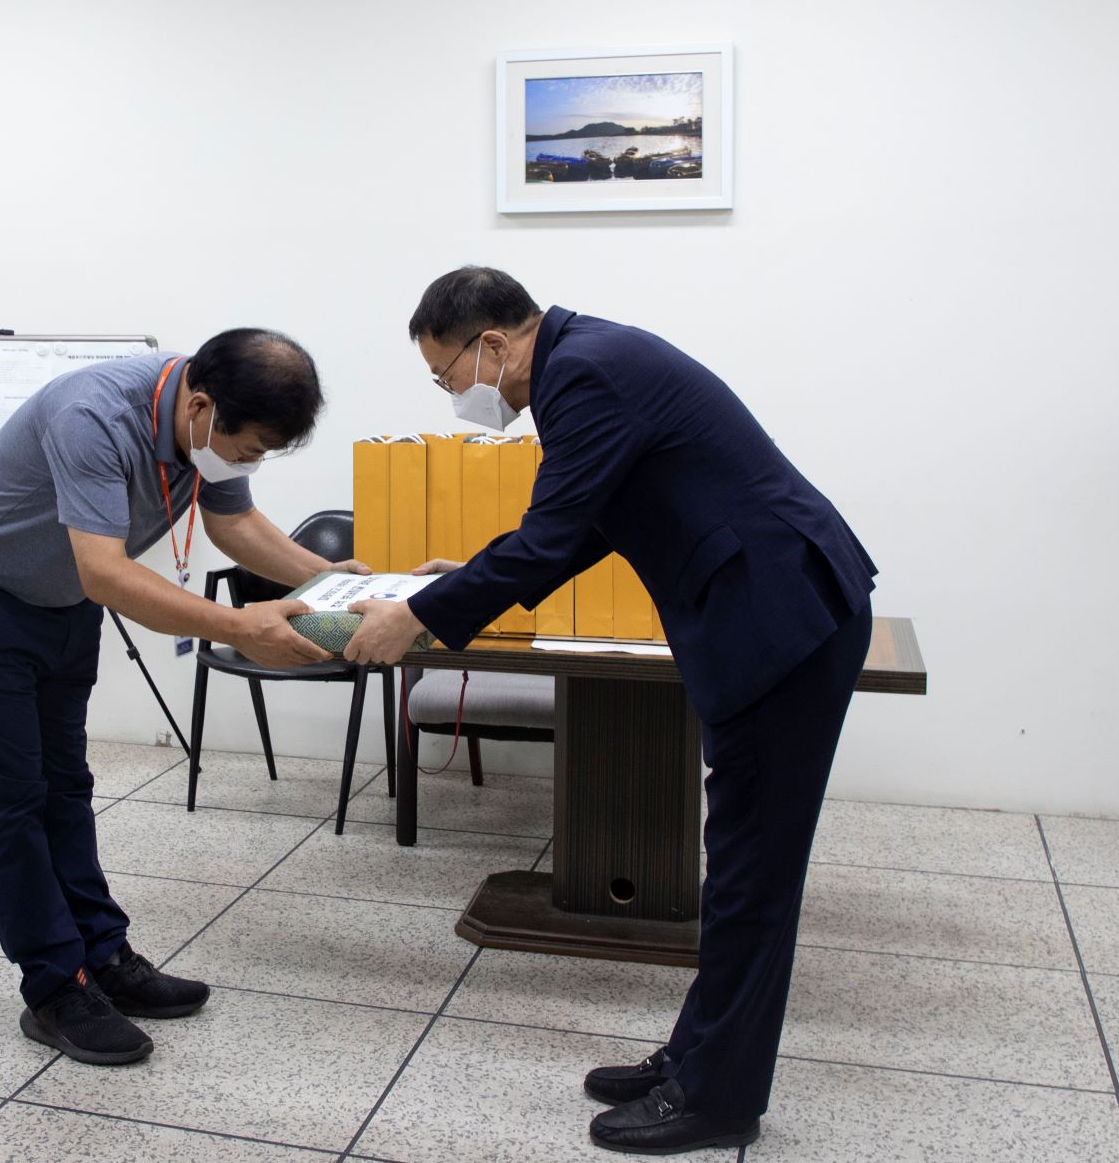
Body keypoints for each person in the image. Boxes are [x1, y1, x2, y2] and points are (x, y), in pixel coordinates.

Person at [344, 266, 877, 1155]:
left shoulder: (585, 371)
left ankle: (719, 1099)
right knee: (742, 863)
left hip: (783, 618)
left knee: (751, 872)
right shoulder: (584, 362)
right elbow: (584, 528)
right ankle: (696, 1056)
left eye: (448, 377)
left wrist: (422, 617)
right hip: (767, 607)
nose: (454, 396)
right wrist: (462, 582)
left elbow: (555, 535)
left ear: (495, 344)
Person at [0, 329, 361, 1065]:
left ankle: (104, 956)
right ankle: (55, 987)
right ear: (200, 405)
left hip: (60, 602)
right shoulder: (94, 415)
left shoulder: (205, 425)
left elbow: (235, 522)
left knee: (67, 786)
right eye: (245, 449)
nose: (243, 464)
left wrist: (335, 584)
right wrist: (238, 628)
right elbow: (108, 573)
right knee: (12, 798)